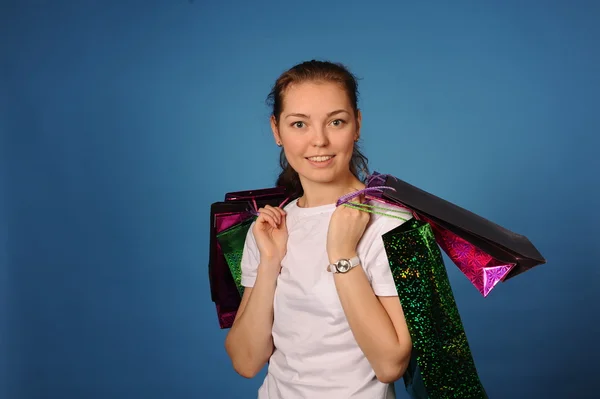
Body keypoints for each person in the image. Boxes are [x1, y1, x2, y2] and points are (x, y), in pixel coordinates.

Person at [224, 60, 413, 399]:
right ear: (276, 131)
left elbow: (390, 365)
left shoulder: (391, 225)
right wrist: (269, 264)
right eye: (299, 124)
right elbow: (246, 361)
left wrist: (342, 253)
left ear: (356, 125)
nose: (319, 141)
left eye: (336, 122)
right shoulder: (271, 228)